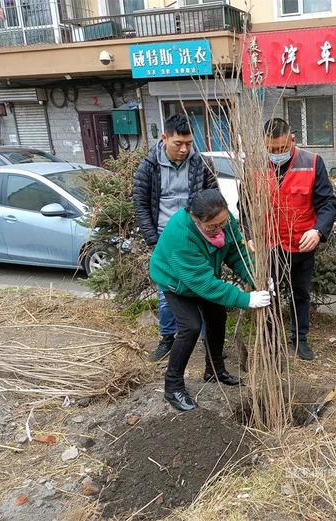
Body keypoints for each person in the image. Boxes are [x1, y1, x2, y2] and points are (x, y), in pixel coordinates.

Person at [149, 189, 271, 411]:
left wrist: (256, 278)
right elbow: (202, 282)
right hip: (175, 282)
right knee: (190, 327)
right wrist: (245, 299)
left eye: (223, 222)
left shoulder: (225, 221)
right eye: (212, 226)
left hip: (203, 277)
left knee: (217, 317)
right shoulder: (181, 233)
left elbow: (236, 253)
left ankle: (214, 371)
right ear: (196, 218)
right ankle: (173, 386)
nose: (219, 228)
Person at [244, 118, 336, 361]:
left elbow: (327, 203)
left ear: (292, 139)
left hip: (300, 244)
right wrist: (248, 234)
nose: (276, 154)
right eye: (271, 149)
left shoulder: (312, 163)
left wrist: (318, 230)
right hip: (268, 245)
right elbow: (244, 205)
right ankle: (270, 337)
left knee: (300, 293)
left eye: (282, 149)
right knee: (268, 294)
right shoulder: (253, 166)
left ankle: (300, 339)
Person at [133, 114, 217, 361]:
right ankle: (167, 338)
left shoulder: (200, 164)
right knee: (167, 293)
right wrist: (153, 241)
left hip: (196, 238)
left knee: (201, 288)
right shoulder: (149, 167)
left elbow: (213, 197)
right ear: (164, 138)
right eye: (178, 143)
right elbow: (140, 205)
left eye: (189, 143)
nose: (184, 149)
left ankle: (204, 340)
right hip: (164, 240)